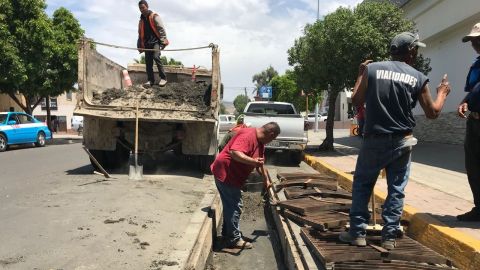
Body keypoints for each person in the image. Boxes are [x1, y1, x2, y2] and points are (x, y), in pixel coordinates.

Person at [339, 32, 451, 250]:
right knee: (396, 190)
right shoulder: (418, 76)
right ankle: (389, 237)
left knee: (362, 186)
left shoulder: (372, 70)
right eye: (415, 49)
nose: (417, 53)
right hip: (402, 141)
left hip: (374, 140)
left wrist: (361, 74)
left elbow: (356, 100)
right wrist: (443, 92)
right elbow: (433, 112)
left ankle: (357, 234)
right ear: (410, 51)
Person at [211, 122, 280, 249]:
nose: (271, 141)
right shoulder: (248, 135)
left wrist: (267, 181)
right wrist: (252, 161)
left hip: (233, 176)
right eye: (273, 138)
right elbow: (235, 153)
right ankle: (233, 239)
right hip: (226, 173)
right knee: (235, 206)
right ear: (271, 133)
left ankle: (228, 234)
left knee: (230, 205)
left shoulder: (260, 143)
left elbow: (259, 165)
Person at [457, 23, 480, 222]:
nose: (474, 43)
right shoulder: (475, 65)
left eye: (478, 39)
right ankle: (479, 208)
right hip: (474, 122)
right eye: (472, 40)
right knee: (473, 166)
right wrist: (464, 103)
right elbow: (472, 90)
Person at [137, 0, 169, 87]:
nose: (142, 10)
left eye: (143, 7)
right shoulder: (141, 21)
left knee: (156, 57)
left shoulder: (154, 16)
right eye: (140, 8)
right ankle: (151, 80)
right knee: (148, 62)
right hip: (147, 44)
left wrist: (163, 42)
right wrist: (139, 45)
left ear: (147, 6)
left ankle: (163, 78)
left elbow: (161, 29)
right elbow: (140, 34)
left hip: (156, 42)